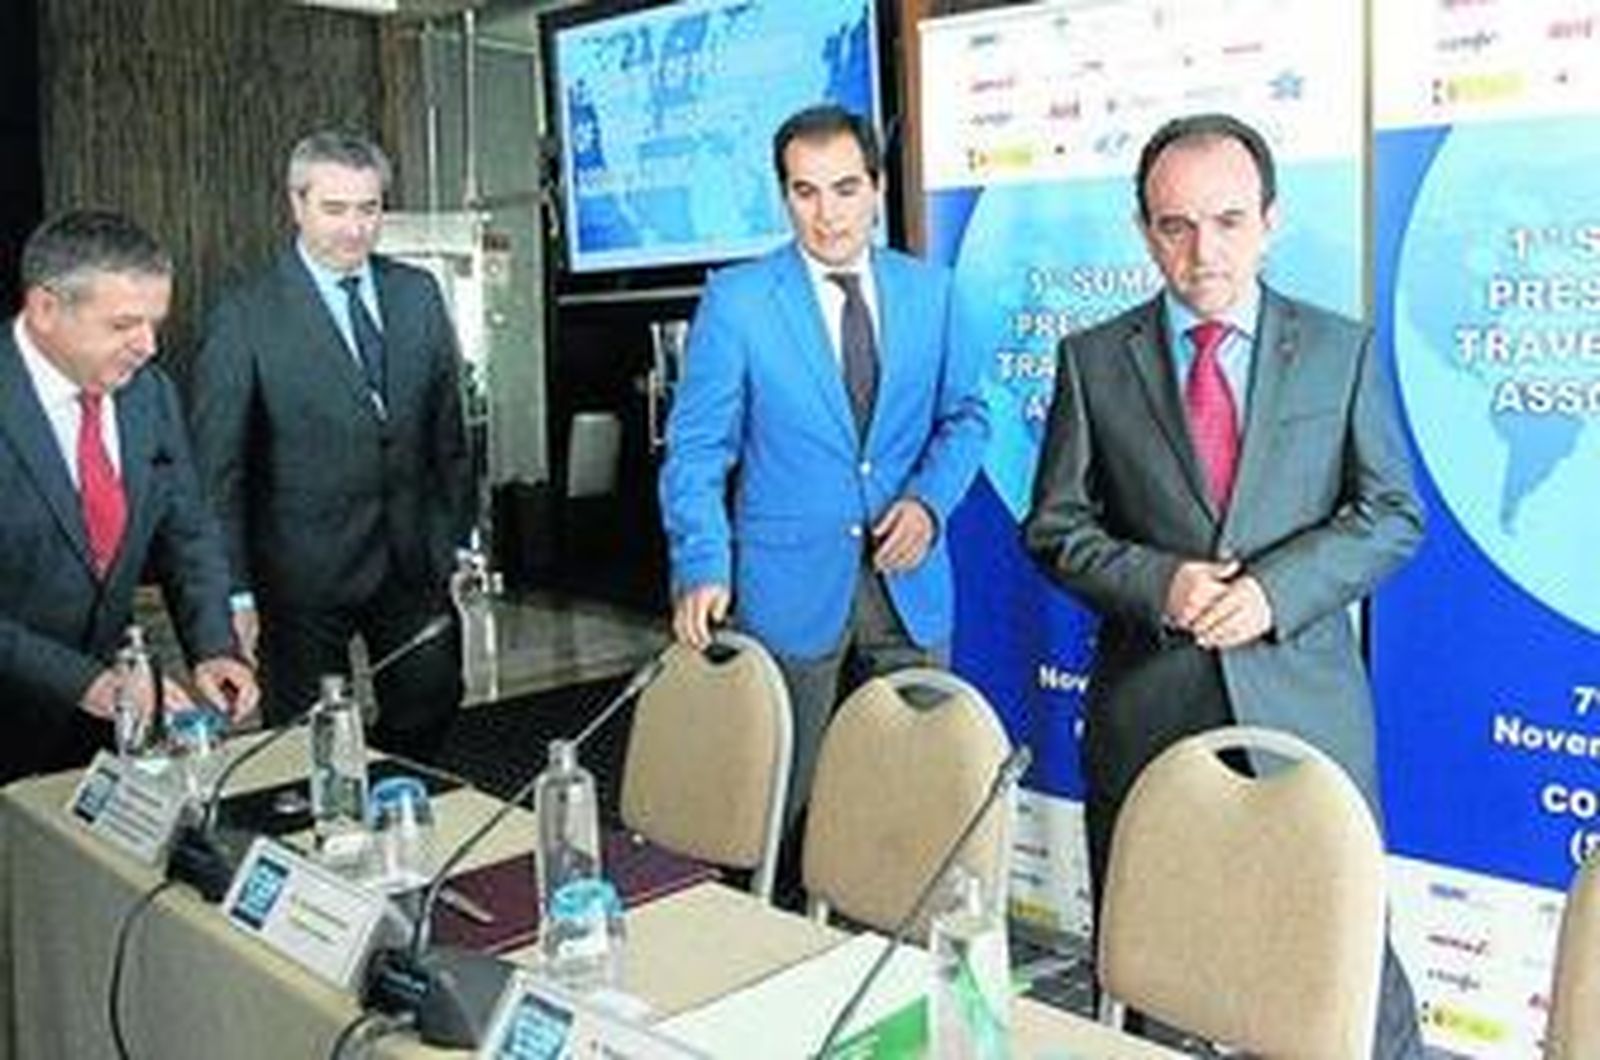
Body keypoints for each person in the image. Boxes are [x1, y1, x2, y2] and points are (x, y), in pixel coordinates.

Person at [1023, 113, 1425, 1055]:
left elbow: (1392, 514)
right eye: (1176, 225)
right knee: (1162, 979)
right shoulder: (1093, 361)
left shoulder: (1339, 350)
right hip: (1152, 718)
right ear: (1144, 231)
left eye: (1229, 221)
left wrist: (1274, 593)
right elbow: (1055, 529)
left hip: (1306, 717)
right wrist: (1160, 585)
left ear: (1270, 223)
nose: (1203, 251)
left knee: (1346, 977)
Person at [659, 104, 989, 849]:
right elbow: (698, 450)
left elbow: (966, 418)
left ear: (876, 187)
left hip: (908, 585)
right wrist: (702, 562)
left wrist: (928, 505)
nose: (828, 214)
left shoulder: (932, 293)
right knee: (777, 807)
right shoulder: (738, 300)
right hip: (786, 587)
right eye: (805, 192)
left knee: (912, 807)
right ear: (784, 196)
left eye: (845, 189)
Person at [189, 131, 471, 761]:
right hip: (300, 574)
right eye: (334, 209)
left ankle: (396, 793)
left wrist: (456, 536)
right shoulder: (245, 312)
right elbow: (218, 473)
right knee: (310, 737)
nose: (354, 228)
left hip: (411, 561)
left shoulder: (418, 293)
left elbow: (446, 432)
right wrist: (233, 592)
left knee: (433, 697)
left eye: (368, 209)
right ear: (297, 204)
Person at [0, 210, 257, 784]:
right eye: (123, 325)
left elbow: (188, 533)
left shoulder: (150, 395)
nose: (148, 346)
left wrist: (214, 647)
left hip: (104, 732)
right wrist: (85, 682)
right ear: (45, 309)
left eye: (154, 323)